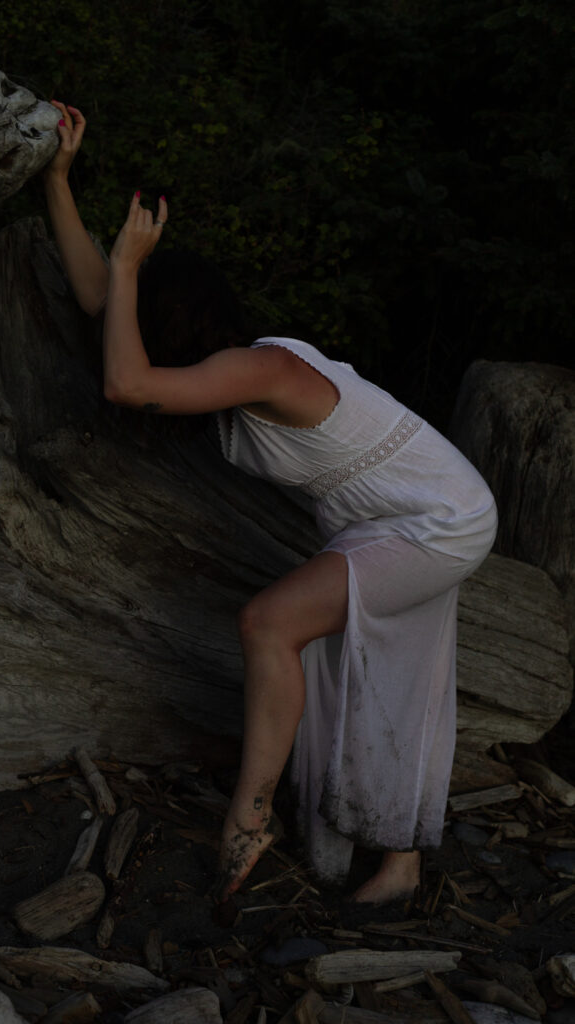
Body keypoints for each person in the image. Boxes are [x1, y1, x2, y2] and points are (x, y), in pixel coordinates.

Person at [44, 103, 498, 905]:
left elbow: (124, 379)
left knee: (268, 622)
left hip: (439, 519)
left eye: (139, 305)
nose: (124, 315)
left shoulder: (262, 371)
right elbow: (100, 308)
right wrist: (58, 180)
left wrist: (127, 265)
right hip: (380, 524)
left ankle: (249, 817)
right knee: (379, 678)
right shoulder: (219, 373)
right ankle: (398, 864)